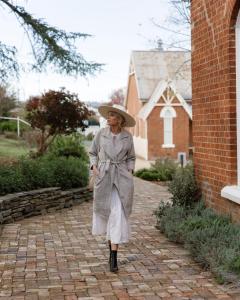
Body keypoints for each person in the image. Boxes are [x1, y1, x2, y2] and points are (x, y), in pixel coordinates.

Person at [89, 104, 136, 272]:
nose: (108, 118)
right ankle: (111, 251)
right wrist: (93, 167)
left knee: (117, 214)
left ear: (119, 119)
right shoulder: (101, 134)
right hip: (104, 175)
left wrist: (130, 171)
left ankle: (113, 256)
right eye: (107, 116)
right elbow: (92, 152)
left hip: (122, 178)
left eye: (111, 116)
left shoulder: (127, 137)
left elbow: (131, 157)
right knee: (108, 213)